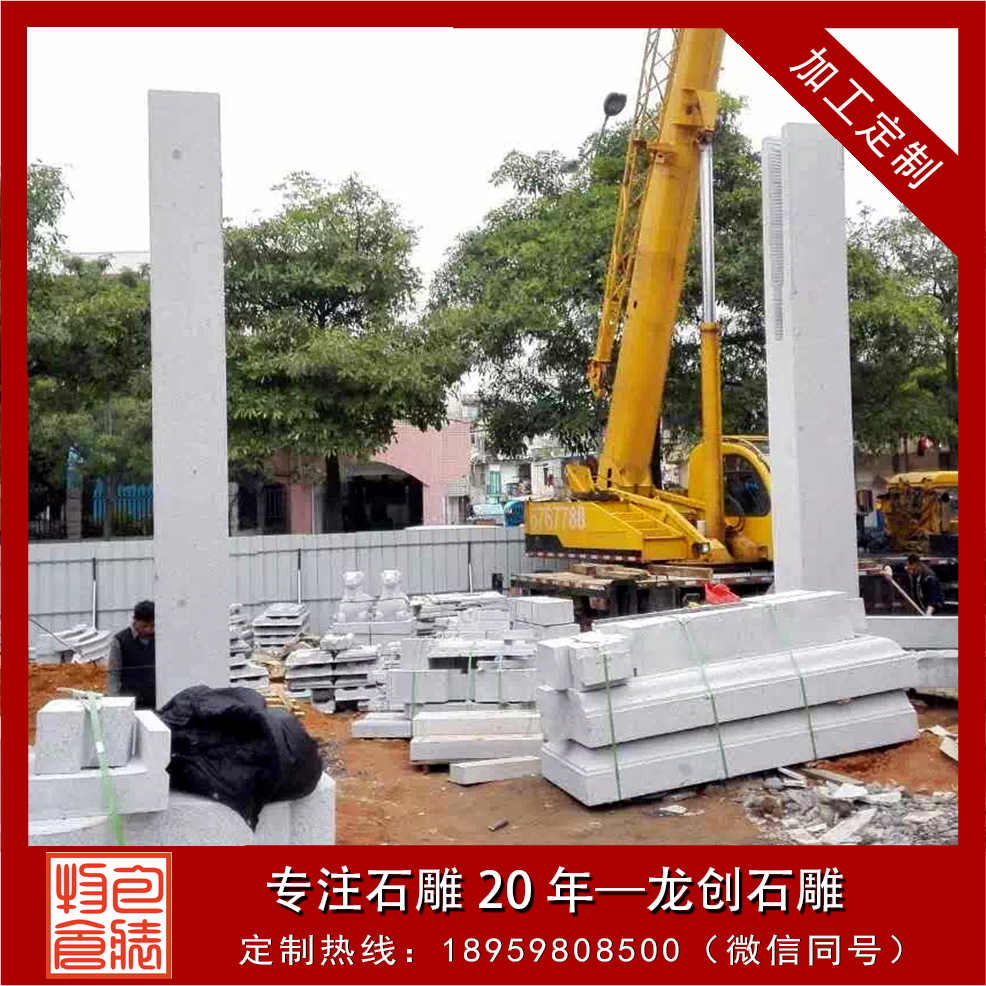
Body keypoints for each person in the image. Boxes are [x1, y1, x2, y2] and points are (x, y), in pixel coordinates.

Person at [107, 600, 156, 708]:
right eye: (144, 626)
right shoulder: (120, 640)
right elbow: (114, 673)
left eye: (152, 626)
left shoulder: (160, 639)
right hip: (130, 702)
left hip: (156, 700)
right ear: (135, 621)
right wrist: (113, 702)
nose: (149, 630)